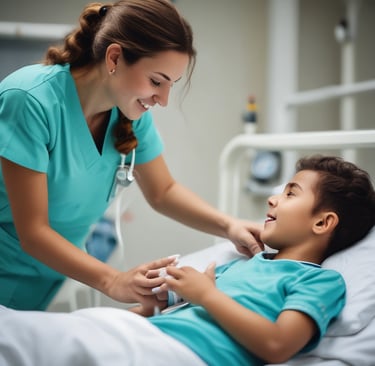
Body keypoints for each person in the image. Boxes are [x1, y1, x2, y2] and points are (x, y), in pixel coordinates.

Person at [0, 0, 263, 311]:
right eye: (156, 81)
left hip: (43, 281)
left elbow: (163, 191)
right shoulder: (29, 100)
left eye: (171, 86)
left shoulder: (130, 116)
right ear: (114, 57)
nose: (163, 100)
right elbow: (33, 232)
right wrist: (114, 281)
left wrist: (229, 226)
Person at [0, 155, 374, 366]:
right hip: (146, 336)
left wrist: (207, 295)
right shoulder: (242, 264)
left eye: (290, 193)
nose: (273, 199)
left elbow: (277, 346)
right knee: (36, 334)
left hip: (186, 355)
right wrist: (128, 311)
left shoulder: (319, 282)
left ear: (323, 222)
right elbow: (157, 311)